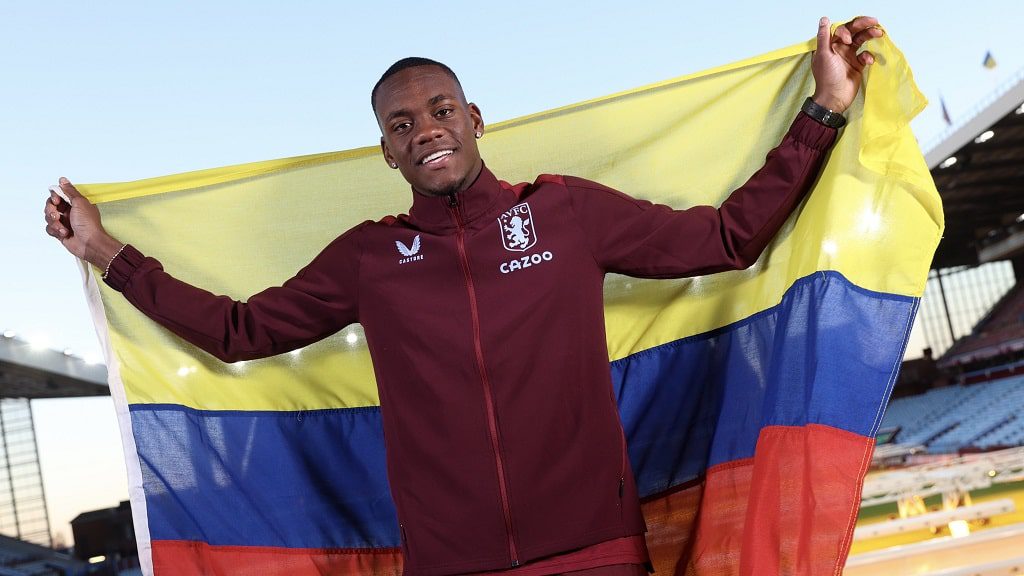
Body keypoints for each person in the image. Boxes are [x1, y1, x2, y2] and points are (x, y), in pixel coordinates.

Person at [45, 16, 883, 576]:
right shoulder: (371, 257)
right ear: (387, 152)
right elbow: (237, 331)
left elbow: (729, 238)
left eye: (440, 108)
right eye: (403, 123)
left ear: (476, 116)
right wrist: (107, 252)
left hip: (594, 550)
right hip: (454, 563)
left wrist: (825, 107)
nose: (426, 127)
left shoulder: (565, 213)